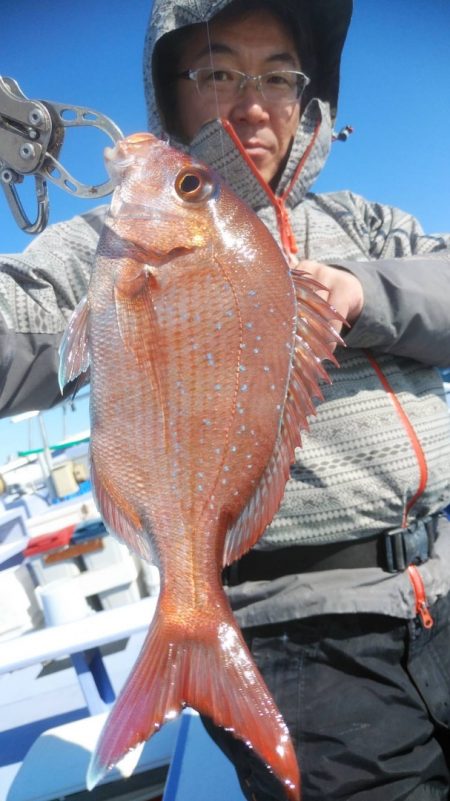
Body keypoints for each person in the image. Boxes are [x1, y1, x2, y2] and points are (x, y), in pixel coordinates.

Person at [1, 0, 450, 798]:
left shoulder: (364, 223)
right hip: (300, 635)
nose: (253, 103)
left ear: (307, 98)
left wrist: (363, 293)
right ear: (169, 92)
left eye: (278, 77)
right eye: (218, 72)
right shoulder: (99, 251)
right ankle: (191, 622)